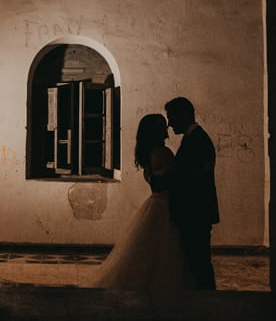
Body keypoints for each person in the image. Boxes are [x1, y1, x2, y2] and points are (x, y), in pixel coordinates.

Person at [81, 113, 194, 293]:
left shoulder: (148, 154)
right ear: (156, 131)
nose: (166, 128)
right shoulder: (163, 153)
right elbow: (177, 179)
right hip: (167, 204)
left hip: (156, 203)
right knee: (167, 250)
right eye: (162, 126)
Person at [158, 96, 219, 290]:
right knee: (197, 261)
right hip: (196, 212)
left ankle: (206, 300)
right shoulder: (195, 138)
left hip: (195, 212)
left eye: (171, 117)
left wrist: (157, 180)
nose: (169, 124)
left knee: (198, 263)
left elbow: (184, 178)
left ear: (183, 114)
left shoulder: (197, 141)